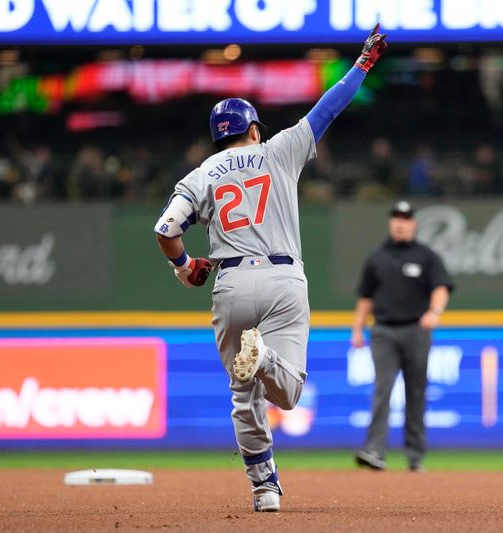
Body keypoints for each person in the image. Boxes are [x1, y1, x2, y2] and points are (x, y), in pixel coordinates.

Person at [154, 26, 388, 512]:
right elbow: (328, 107)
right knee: (287, 392)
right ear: (254, 129)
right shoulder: (279, 149)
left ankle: (264, 490)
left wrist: (183, 267)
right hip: (283, 278)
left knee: (244, 397)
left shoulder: (201, 174)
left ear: (218, 139)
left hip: (231, 281)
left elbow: (166, 229)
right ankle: (262, 360)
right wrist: (363, 62)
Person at [352, 200, 453, 472]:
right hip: (384, 330)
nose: (400, 222)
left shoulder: (426, 256)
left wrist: (436, 311)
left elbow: (441, 287)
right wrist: (357, 328)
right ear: (391, 222)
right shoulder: (377, 257)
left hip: (416, 330)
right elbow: (365, 296)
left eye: (405, 218)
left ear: (414, 223)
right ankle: (374, 450)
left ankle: (415, 455)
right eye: (396, 217)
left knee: (416, 392)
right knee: (382, 390)